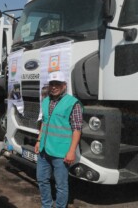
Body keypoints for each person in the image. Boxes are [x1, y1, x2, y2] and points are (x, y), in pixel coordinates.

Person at [34, 71, 83, 208]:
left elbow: (77, 129)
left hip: (61, 152)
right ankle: (46, 205)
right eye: (51, 84)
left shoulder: (73, 103)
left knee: (61, 185)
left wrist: (72, 151)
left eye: (57, 84)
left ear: (64, 85)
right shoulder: (46, 101)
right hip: (44, 149)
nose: (54, 87)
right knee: (42, 180)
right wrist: (38, 141)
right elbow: (44, 122)